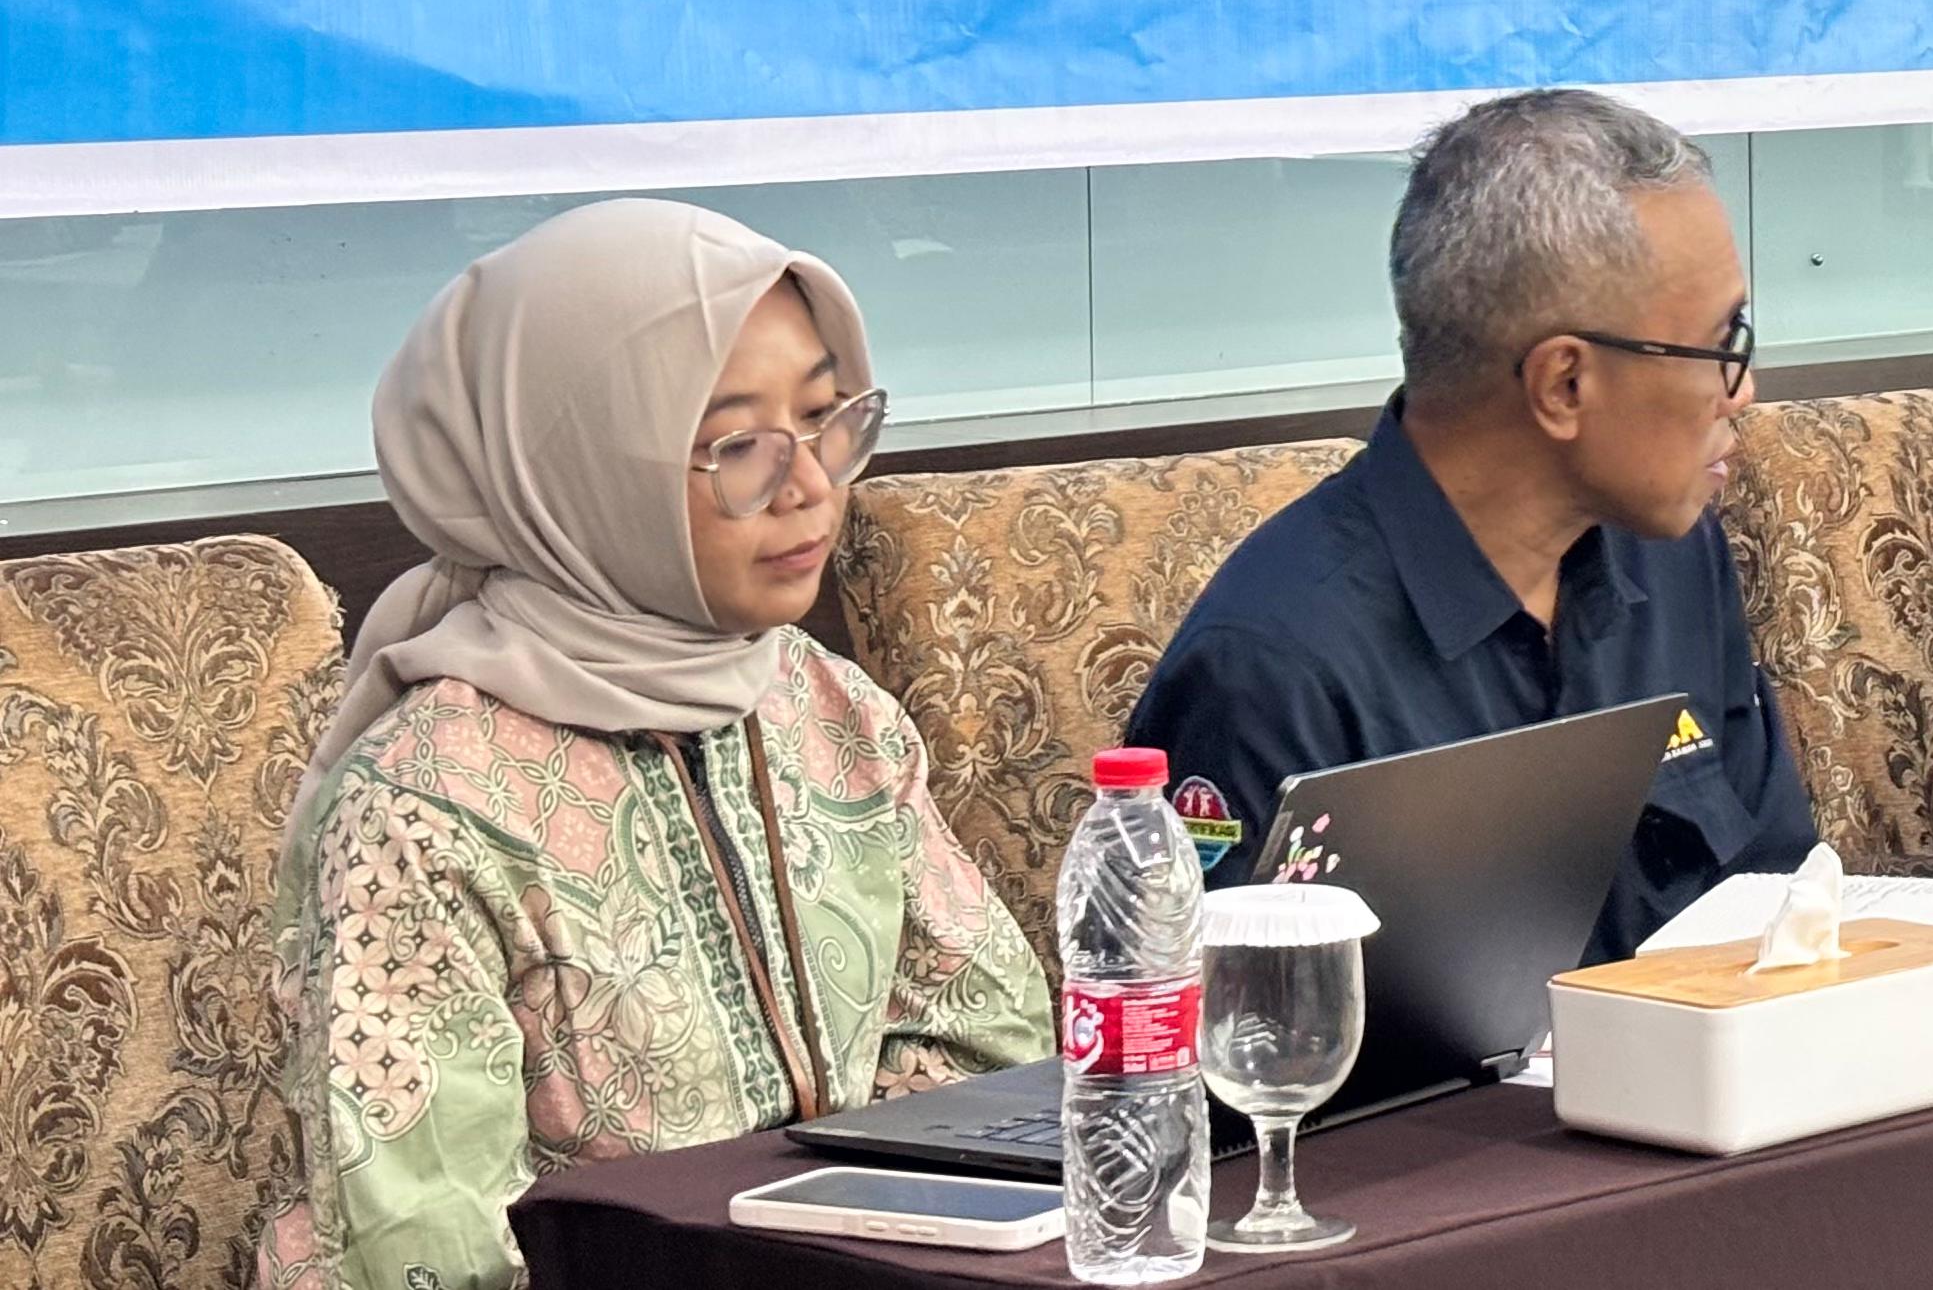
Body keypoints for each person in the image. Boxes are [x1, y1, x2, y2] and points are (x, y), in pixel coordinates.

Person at [261, 201, 1050, 1290]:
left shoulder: (829, 711)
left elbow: (992, 1042)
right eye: (737, 447)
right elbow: (428, 1250)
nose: (812, 483)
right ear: (577, 473)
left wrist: (851, 1235)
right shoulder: (427, 805)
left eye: (826, 417)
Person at [1127, 90, 1814, 963]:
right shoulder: (1275, 665)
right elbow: (1229, 1057)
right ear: (1564, 384)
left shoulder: (1673, 555)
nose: (1741, 389)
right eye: (1723, 344)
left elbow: (1776, 907)